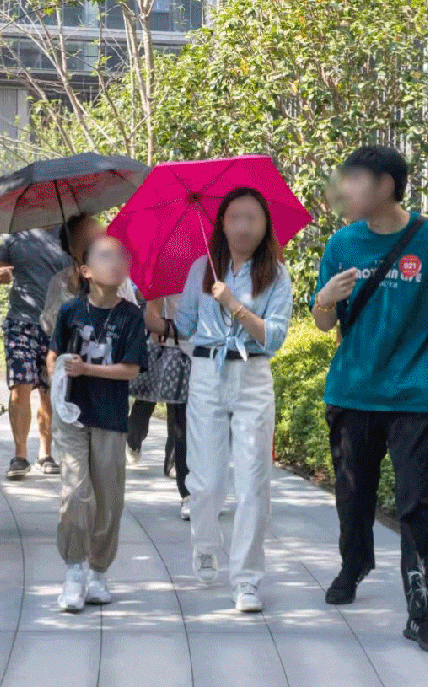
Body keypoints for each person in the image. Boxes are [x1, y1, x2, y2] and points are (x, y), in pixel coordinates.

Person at [312, 146, 428, 655]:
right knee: (353, 496)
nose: (345, 190)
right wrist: (325, 299)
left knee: (418, 502)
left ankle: (421, 611)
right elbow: (324, 323)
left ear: (387, 186)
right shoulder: (342, 244)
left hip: (414, 397)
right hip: (352, 393)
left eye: (355, 180)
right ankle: (354, 564)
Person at [150, 186, 293, 614]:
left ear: (265, 225)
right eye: (235, 217)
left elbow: (275, 337)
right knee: (207, 480)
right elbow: (186, 325)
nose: (243, 226)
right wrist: (154, 311)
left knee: (253, 483)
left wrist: (234, 305)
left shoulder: (276, 274)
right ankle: (206, 545)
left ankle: (246, 579)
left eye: (252, 218)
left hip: (252, 376)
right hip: (206, 375)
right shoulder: (201, 268)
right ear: (222, 224)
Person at [47, 235, 147, 612]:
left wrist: (87, 368)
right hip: (72, 415)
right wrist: (58, 372)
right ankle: (74, 571)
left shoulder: (131, 315)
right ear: (86, 270)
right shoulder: (70, 311)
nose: (116, 262)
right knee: (76, 492)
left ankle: (98, 573)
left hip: (110, 417)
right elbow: (54, 354)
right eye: (105, 256)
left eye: (121, 256)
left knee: (108, 500)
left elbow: (131, 370)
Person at [0, 227, 70, 479]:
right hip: (19, 322)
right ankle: (20, 455)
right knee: (19, 386)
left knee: (50, 391)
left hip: (56, 324)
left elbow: (81, 277)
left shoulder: (68, 234)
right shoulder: (16, 235)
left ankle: (46, 453)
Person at [128, 295, 192, 520]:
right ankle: (188, 493)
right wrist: (162, 330)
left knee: (210, 429)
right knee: (181, 423)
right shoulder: (171, 275)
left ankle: (209, 488)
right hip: (178, 354)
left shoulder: (222, 275)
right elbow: (151, 315)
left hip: (216, 357)